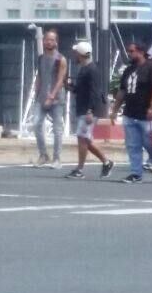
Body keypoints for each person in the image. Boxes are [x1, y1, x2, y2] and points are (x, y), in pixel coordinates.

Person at [111, 42, 152, 184]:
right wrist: (114, 110)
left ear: (141, 52)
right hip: (130, 113)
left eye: (132, 51)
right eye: (128, 51)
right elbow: (122, 91)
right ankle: (136, 173)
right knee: (133, 145)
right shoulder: (128, 70)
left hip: (148, 115)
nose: (129, 54)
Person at [64, 42, 113, 180]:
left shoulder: (92, 70)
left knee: (82, 137)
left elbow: (94, 92)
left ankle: (80, 169)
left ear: (80, 54)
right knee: (85, 139)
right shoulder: (84, 69)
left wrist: (90, 110)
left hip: (89, 109)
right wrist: (70, 86)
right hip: (84, 108)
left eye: (76, 53)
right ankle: (106, 162)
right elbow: (80, 90)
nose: (75, 55)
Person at [33, 29, 68, 168]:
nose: (49, 42)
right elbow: (40, 76)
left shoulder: (61, 59)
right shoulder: (41, 58)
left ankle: (57, 158)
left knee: (57, 128)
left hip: (57, 99)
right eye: (47, 39)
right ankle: (43, 155)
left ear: (56, 42)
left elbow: (60, 80)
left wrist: (52, 96)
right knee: (36, 124)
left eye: (52, 40)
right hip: (41, 97)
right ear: (43, 41)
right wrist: (36, 93)